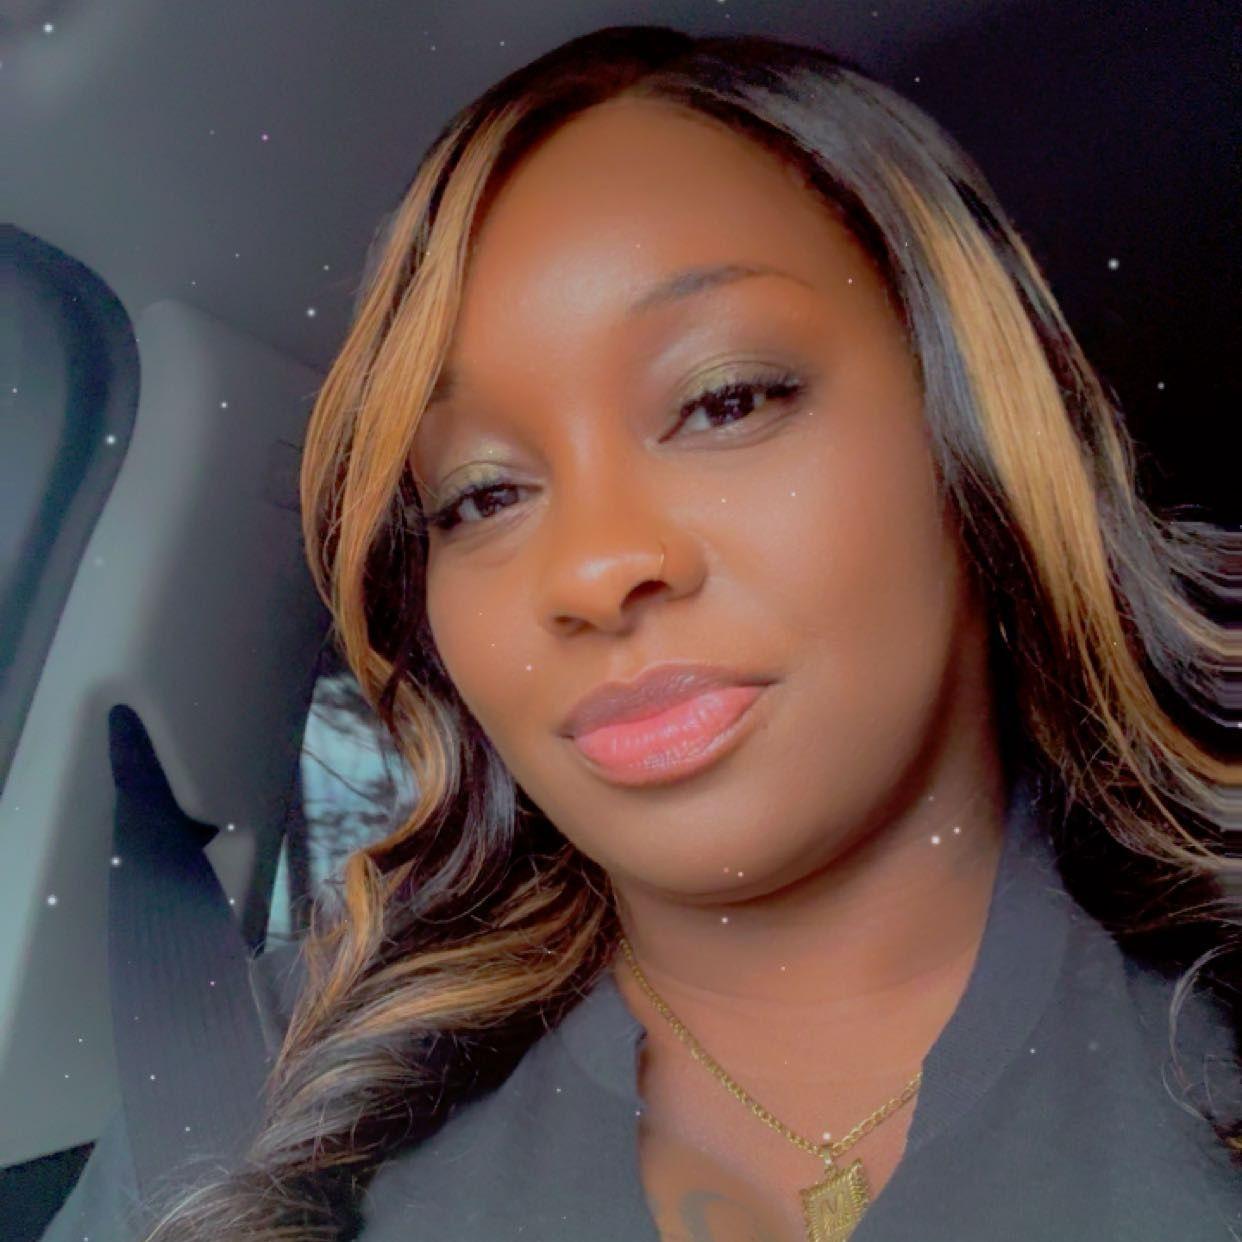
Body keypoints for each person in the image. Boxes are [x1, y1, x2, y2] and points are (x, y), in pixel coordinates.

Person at [53, 23, 1240, 1242]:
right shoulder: (257, 1099)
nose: (592, 569)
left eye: (725, 400)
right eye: (482, 495)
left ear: (973, 429)